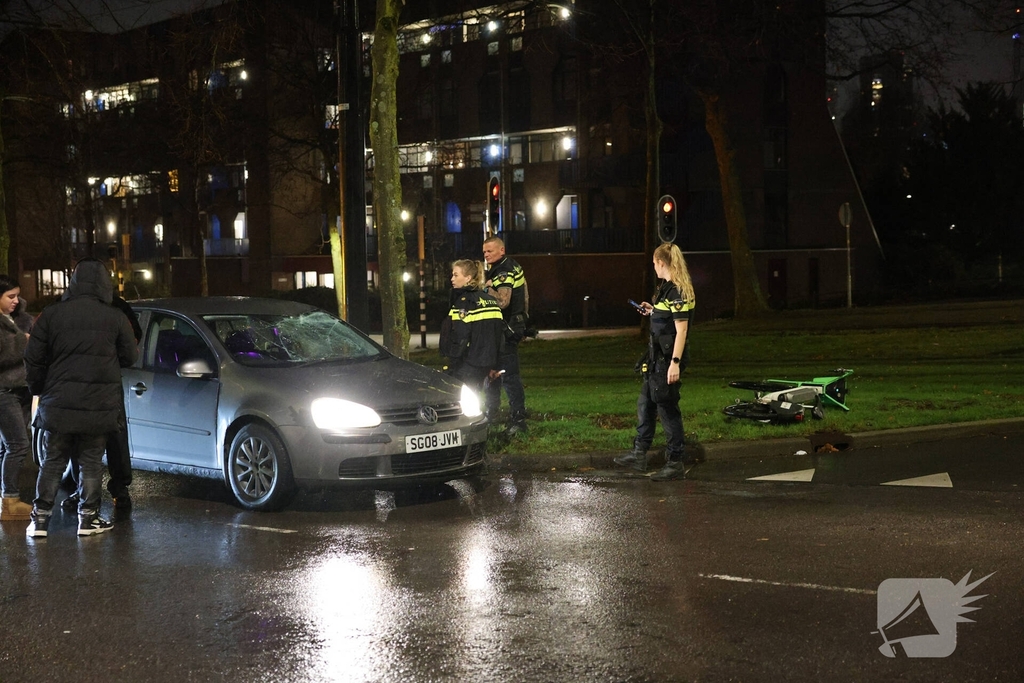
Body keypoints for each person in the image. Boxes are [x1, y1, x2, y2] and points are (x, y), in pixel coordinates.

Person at [25, 258, 139, 537]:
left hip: (58, 403)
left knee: (53, 460)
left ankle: (39, 520)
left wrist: (39, 389)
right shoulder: (114, 317)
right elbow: (130, 356)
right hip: (98, 404)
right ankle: (88, 520)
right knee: (91, 461)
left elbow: (33, 357)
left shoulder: (52, 315)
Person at [615, 243, 696, 481]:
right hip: (656, 358)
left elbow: (681, 331)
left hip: (667, 361)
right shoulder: (667, 289)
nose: (653, 267)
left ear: (662, 263)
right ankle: (639, 453)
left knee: (667, 409)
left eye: (654, 263)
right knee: (646, 404)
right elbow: (667, 320)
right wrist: (652, 311)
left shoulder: (679, 291)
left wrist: (675, 363)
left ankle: (675, 462)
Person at [61, 292, 142, 512]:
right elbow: (132, 344)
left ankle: (84, 492)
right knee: (114, 437)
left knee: (83, 439)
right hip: (107, 383)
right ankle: (118, 489)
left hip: (77, 383)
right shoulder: (116, 307)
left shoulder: (68, 305)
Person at [482, 236, 529, 434]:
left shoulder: (503, 271)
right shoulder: (512, 265)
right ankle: (491, 415)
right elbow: (525, 294)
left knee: (508, 376)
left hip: (506, 331)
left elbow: (503, 302)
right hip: (510, 327)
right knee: (493, 373)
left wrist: (486, 288)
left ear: (502, 250)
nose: (486, 254)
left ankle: (518, 420)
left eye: (490, 251)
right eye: (484, 252)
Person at [440, 259, 504, 393]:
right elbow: (499, 335)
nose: (452, 279)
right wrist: (496, 364)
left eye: (456, 275)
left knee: (461, 400)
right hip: (488, 362)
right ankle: (490, 412)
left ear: (468, 278)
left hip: (468, 364)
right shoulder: (491, 301)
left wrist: (453, 362)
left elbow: (460, 336)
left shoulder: (464, 303)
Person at [0, 275, 34, 520]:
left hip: (20, 389)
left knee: (8, 446)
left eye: (17, 295)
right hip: (4, 391)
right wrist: (23, 342)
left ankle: (6, 497)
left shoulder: (18, 318)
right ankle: (10, 500)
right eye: (10, 296)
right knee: (18, 445)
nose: (16, 300)